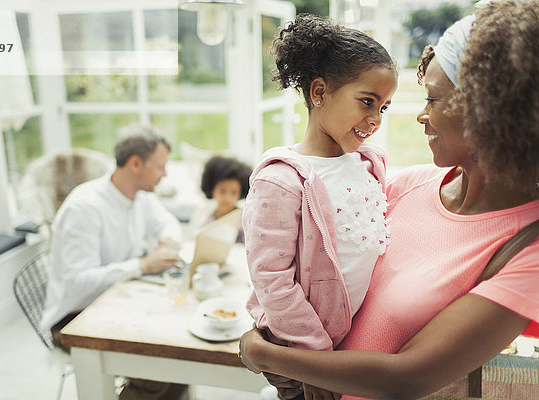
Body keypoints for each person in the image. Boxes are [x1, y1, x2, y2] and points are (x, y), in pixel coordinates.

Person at [239, 1, 539, 399]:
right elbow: (302, 262)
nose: (421, 115)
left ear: (489, 109)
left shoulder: (529, 251)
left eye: (431, 99)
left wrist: (262, 354)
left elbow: (408, 377)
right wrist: (275, 337)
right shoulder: (405, 185)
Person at [242, 13, 397, 400]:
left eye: (384, 107)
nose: (375, 119)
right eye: (367, 102)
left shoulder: (370, 166)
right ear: (318, 92)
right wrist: (317, 361)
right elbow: (273, 280)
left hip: (356, 352)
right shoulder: (280, 181)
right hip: (306, 360)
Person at [40, 124, 188, 400]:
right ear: (135, 163)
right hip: (74, 318)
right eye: (160, 166)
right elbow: (76, 284)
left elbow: (166, 221)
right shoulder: (84, 208)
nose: (164, 174)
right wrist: (142, 265)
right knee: (163, 364)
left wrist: (168, 239)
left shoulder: (139, 195)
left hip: (115, 300)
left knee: (182, 354)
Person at [187, 155, 252, 242]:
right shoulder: (202, 216)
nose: (227, 198)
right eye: (222, 191)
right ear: (212, 189)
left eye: (234, 193)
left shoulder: (245, 219)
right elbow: (192, 241)